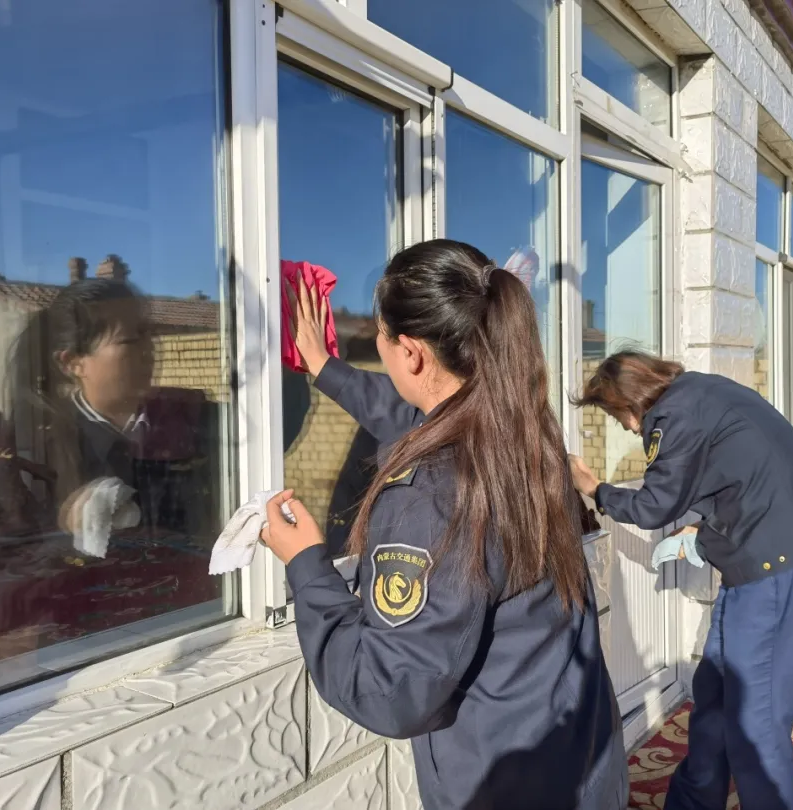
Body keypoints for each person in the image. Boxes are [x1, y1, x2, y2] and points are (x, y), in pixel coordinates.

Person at [260, 239, 627, 810]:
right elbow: (419, 413)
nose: (376, 351)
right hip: (580, 764)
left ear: (410, 353)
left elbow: (389, 691)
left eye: (379, 338)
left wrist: (306, 565)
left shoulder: (431, 497)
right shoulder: (527, 434)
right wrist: (326, 369)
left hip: (504, 783)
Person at [568, 351, 793, 810]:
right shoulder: (704, 392)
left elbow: (654, 506)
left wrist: (594, 489)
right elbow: (743, 477)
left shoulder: (672, 416)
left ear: (630, 402)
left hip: (775, 578)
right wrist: (704, 527)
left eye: (621, 420)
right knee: (713, 696)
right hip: (777, 569)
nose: (631, 430)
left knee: (757, 726)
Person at [0, 277, 220, 639]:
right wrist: (63, 540)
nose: (151, 350)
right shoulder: (31, 455)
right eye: (131, 340)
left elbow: (278, 417)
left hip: (197, 636)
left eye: (149, 334)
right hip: (86, 661)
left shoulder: (194, 420)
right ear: (74, 363)